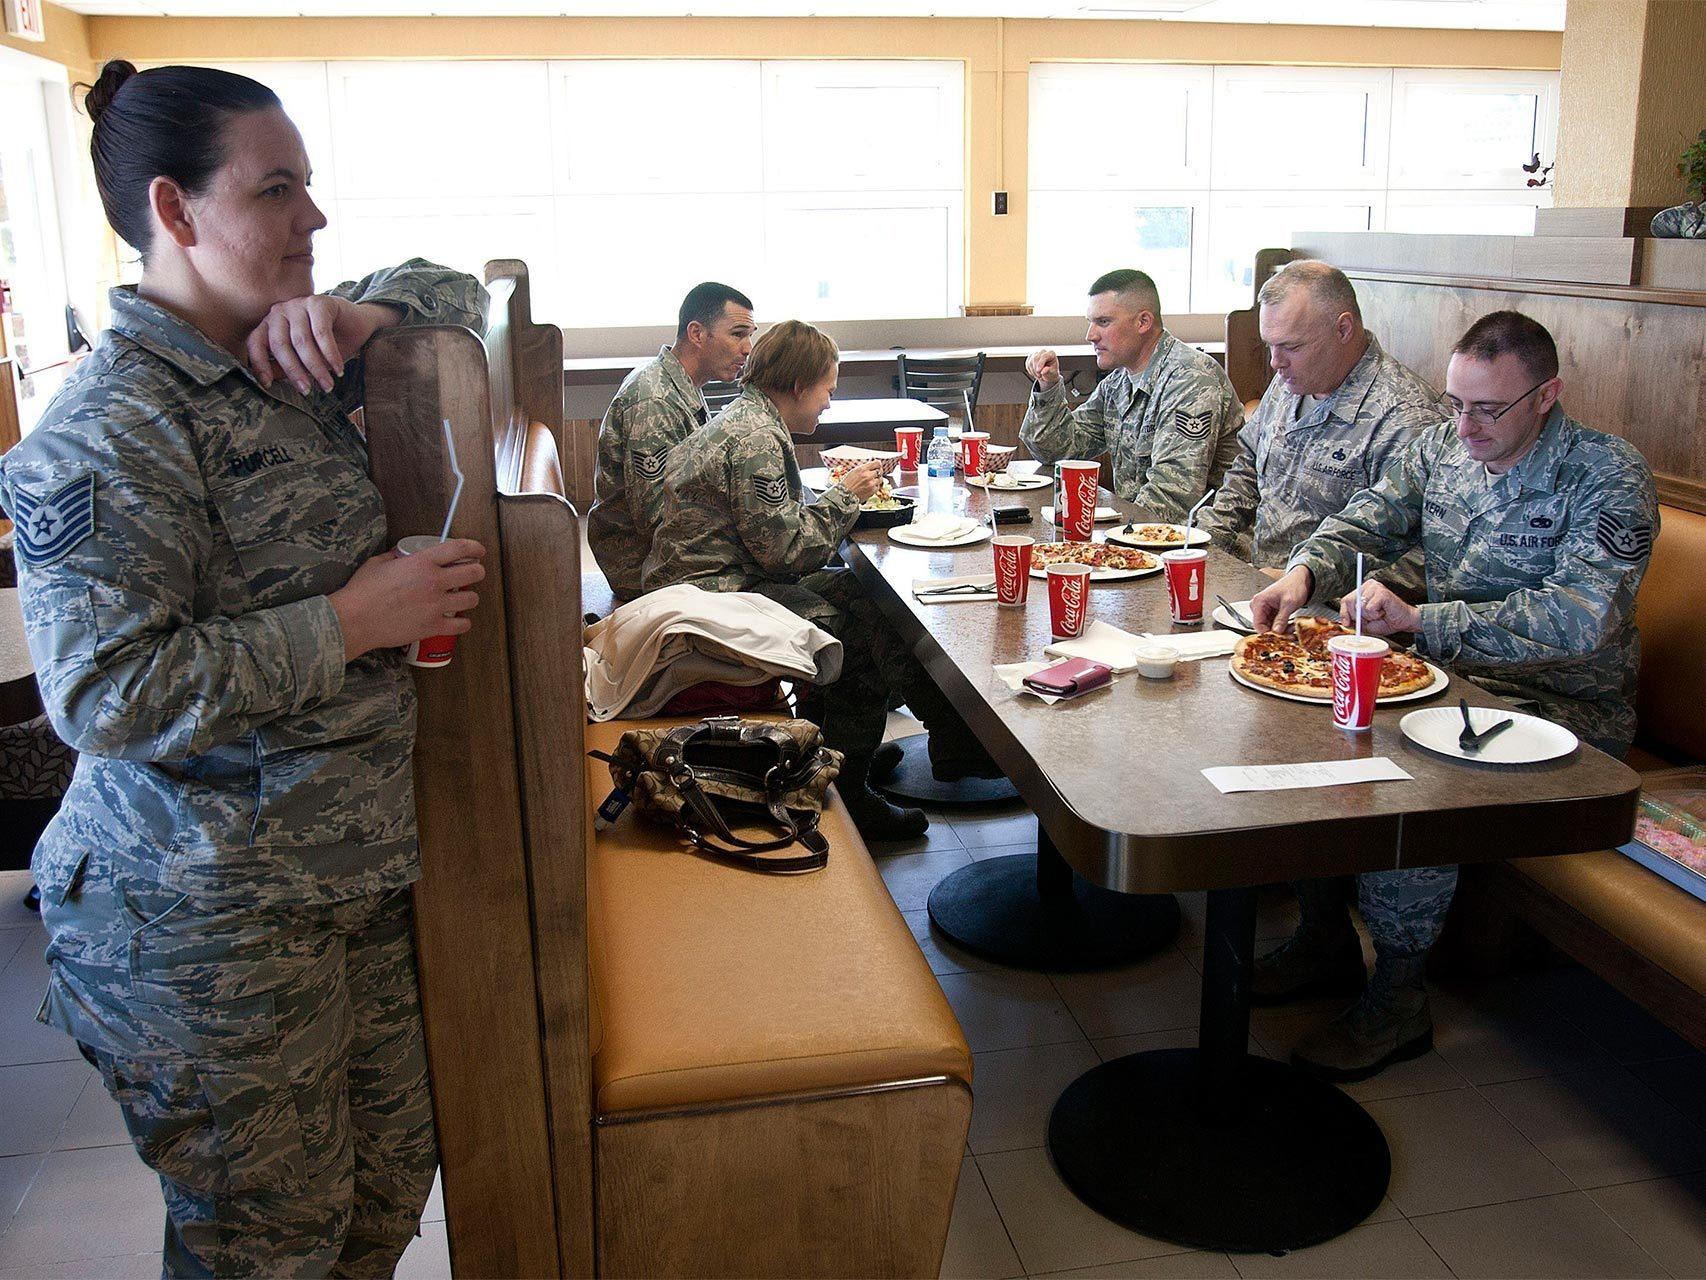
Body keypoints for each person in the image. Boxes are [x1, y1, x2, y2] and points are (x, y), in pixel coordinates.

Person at [0, 61, 489, 1276]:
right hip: (200, 916)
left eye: (310, 186)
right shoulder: (110, 430)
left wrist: (369, 314)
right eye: (277, 190)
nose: (313, 221)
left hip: (345, 878)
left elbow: (464, 290)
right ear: (174, 210)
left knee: (381, 1200)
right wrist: (351, 619)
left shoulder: (290, 352)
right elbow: (105, 691)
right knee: (266, 1247)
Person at [1249, 311, 1658, 1082]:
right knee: (1307, 729)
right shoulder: (1443, 445)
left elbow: (1579, 620)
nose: (1464, 425)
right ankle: (1323, 938)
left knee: (1416, 775)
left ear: (1546, 396)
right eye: (1455, 402)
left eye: (1486, 409)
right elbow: (1368, 518)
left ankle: (1399, 998)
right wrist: (1305, 575)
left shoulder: (1607, 475)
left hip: (1563, 710)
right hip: (1451, 681)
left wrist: (1421, 620)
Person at [642, 320, 992, 840]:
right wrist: (845, 495)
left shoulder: (746, 419)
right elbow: (786, 554)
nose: (829, 402)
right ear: (800, 385)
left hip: (706, 584)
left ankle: (875, 746)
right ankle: (859, 785)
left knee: (863, 597)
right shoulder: (757, 438)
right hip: (712, 600)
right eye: (828, 388)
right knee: (856, 631)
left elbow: (774, 536)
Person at [1199, 260, 1449, 581]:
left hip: (1331, 609)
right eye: (1270, 346)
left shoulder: (1405, 418)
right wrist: (1206, 539)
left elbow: (1422, 559)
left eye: (1291, 346)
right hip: (1257, 579)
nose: (1276, 362)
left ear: (1343, 329)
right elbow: (1248, 464)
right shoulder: (1293, 377)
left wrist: (1309, 582)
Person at [1020, 268, 1242, 521]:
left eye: (1103, 322)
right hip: (1143, 533)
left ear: (1143, 322)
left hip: (1196, 546)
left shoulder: (1190, 380)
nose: (1090, 335)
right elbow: (1056, 451)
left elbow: (1172, 498)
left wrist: (1111, 539)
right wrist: (1048, 387)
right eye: (1090, 322)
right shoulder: (1118, 383)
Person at [587, 282, 757, 603]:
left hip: (666, 547)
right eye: (737, 334)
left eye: (750, 335)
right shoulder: (654, 399)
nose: (748, 347)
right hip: (639, 563)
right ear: (696, 334)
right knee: (782, 575)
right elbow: (653, 517)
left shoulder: (682, 382)